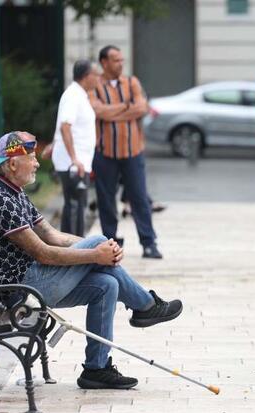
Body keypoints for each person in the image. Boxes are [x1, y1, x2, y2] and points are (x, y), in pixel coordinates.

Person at [0, 131, 183, 389]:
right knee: (97, 242)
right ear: (14, 163)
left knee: (107, 285)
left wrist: (103, 250)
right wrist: (95, 252)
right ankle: (146, 306)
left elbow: (52, 235)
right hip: (20, 290)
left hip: (33, 281)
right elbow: (43, 252)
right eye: (32, 157)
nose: (37, 163)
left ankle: (96, 369)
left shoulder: (14, 192)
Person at [89, 45, 162, 259]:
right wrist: (126, 108)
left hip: (133, 152)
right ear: (104, 63)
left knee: (139, 198)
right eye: (115, 60)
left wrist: (113, 112)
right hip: (105, 152)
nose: (120, 64)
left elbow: (142, 108)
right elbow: (98, 111)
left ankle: (149, 243)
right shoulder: (95, 85)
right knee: (106, 200)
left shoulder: (132, 82)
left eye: (121, 60)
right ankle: (110, 244)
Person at [51, 60, 99, 237]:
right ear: (86, 76)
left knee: (76, 205)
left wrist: (53, 144)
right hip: (73, 163)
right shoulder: (73, 96)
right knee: (75, 205)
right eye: (96, 74)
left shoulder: (79, 95)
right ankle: (75, 247)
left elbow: (66, 126)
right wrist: (73, 159)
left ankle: (73, 246)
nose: (98, 78)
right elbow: (65, 126)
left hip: (78, 161)